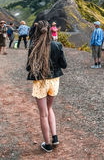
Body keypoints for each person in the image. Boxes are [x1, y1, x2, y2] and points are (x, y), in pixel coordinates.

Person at [26, 20, 67, 153]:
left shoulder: (34, 46)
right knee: (50, 108)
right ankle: (55, 137)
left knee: (43, 114)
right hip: (54, 81)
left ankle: (47, 144)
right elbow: (64, 65)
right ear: (50, 31)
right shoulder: (57, 45)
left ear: (37, 32)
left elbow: (28, 67)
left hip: (40, 82)